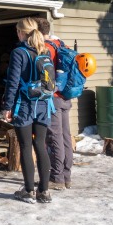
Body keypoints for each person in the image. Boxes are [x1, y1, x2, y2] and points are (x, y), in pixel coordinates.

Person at [0, 17, 52, 204]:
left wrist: (7, 107)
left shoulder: (19, 52)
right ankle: (44, 192)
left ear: (21, 32)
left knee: (25, 147)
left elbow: (13, 83)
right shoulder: (44, 50)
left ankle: (29, 190)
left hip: (25, 105)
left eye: (17, 30)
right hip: (44, 105)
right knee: (41, 146)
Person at [35, 17, 73, 191]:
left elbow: (44, 77)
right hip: (65, 96)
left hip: (54, 98)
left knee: (54, 137)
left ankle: (56, 177)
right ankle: (66, 175)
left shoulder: (46, 49)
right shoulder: (60, 43)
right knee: (65, 136)